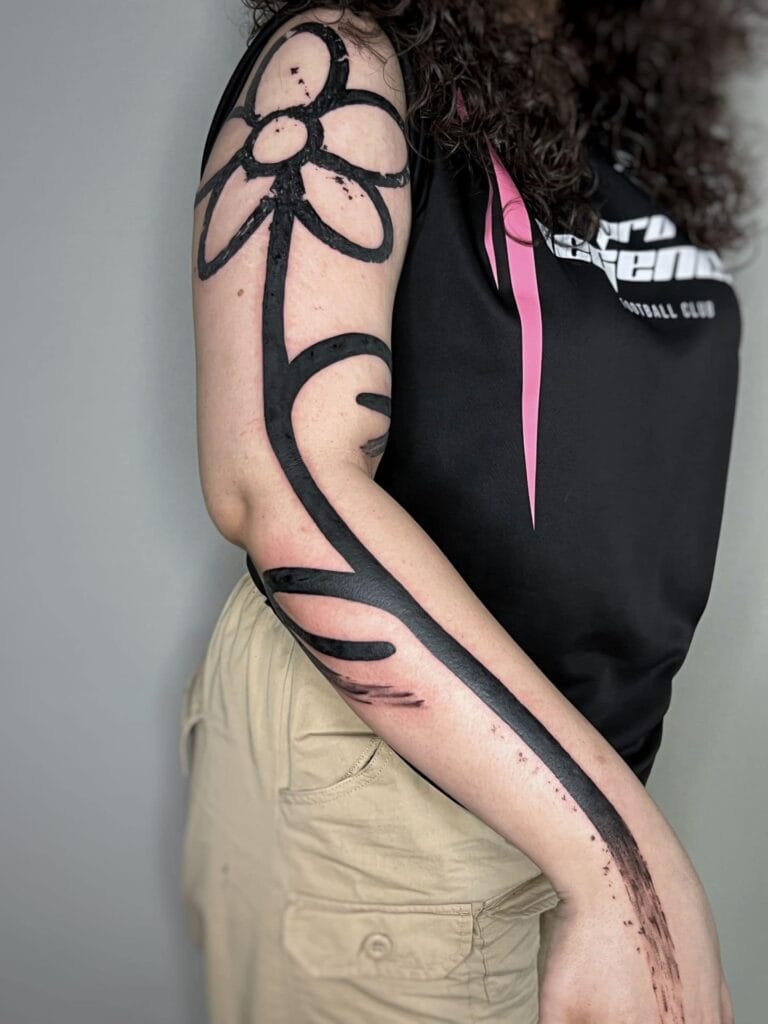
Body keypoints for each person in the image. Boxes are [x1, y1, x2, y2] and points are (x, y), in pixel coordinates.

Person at [180, 2, 762, 1020]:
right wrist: (627, 865)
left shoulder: (602, 99)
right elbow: (277, 478)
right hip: (386, 784)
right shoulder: (338, 63)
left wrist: (604, 840)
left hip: (566, 790)